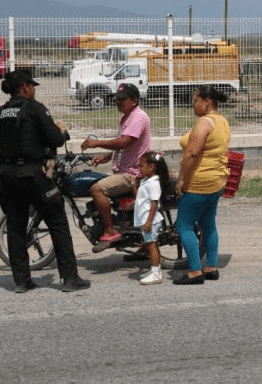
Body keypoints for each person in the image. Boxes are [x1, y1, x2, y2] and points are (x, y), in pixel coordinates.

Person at [0, 70, 91, 293]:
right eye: (32, 86)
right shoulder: (36, 109)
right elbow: (55, 141)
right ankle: (70, 279)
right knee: (58, 224)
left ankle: (22, 281)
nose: (34, 90)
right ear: (25, 87)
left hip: (9, 177)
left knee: (15, 227)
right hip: (36, 175)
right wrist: (61, 131)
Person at [81, 83, 152, 249]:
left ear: (134, 100)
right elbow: (126, 145)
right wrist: (106, 157)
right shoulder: (127, 117)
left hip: (132, 174)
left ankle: (110, 230)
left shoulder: (138, 117)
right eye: (117, 99)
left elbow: (125, 142)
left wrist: (96, 143)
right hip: (126, 170)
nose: (118, 102)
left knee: (97, 189)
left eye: (123, 99)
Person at [173, 85, 230, 285]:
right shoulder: (222, 121)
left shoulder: (204, 122)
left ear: (206, 102)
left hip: (199, 182)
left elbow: (191, 153)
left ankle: (195, 271)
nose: (193, 105)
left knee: (184, 225)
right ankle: (211, 267)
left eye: (195, 100)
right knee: (208, 224)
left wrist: (181, 179)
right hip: (216, 181)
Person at [133, 151, 170, 285]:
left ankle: (156, 273)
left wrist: (149, 221)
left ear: (151, 167)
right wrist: (133, 186)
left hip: (151, 220)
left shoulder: (154, 183)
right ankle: (154, 270)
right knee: (150, 245)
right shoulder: (146, 181)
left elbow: (154, 203)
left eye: (141, 165)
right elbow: (140, 198)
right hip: (145, 219)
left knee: (151, 245)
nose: (139, 168)